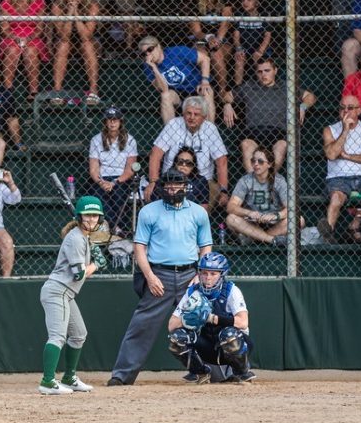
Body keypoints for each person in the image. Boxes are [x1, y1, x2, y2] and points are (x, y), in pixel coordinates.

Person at [107, 168, 212, 386]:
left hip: (190, 275)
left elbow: (206, 247)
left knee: (203, 322)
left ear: (185, 186)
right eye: (169, 185)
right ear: (162, 186)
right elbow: (139, 247)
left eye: (178, 184)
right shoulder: (149, 212)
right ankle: (122, 375)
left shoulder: (198, 212)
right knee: (141, 326)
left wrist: (200, 275)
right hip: (159, 275)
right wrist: (150, 277)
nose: (173, 189)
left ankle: (214, 371)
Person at [38, 195, 107, 395]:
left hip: (66, 293)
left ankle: (69, 377)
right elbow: (79, 273)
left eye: (95, 216)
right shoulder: (76, 238)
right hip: (57, 290)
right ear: (80, 216)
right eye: (87, 215)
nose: (91, 219)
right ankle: (47, 381)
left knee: (78, 334)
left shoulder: (83, 237)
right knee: (58, 336)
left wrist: (93, 257)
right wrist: (96, 264)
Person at [167, 252, 255, 384]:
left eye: (213, 274)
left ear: (222, 275)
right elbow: (171, 325)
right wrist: (188, 319)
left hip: (231, 345)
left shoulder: (231, 291)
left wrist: (211, 318)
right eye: (204, 273)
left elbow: (243, 322)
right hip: (206, 346)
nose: (208, 278)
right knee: (177, 338)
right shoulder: (193, 291)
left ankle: (242, 372)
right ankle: (200, 372)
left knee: (229, 335)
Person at [222, 58, 316, 172]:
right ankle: (256, 184)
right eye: (260, 72)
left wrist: (303, 107)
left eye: (267, 70)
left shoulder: (286, 87)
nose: (263, 75)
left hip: (278, 132)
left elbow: (310, 96)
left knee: (282, 145)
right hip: (253, 132)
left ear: (275, 70)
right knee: (246, 145)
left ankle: (269, 180)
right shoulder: (248, 86)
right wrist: (227, 104)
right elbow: (226, 95)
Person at [145, 96, 228, 210]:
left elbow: (221, 161)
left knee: (204, 198)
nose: (191, 117)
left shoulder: (210, 129)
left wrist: (223, 190)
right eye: (188, 113)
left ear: (204, 117)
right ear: (183, 114)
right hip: (171, 178)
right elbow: (155, 154)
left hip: (202, 181)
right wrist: (153, 181)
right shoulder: (173, 124)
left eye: (196, 114)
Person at [317, 96, 361, 244]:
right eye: (342, 107)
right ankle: (327, 234)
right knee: (336, 198)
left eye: (350, 108)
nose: (345, 111)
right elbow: (331, 154)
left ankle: (354, 225)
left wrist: (347, 156)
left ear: (359, 110)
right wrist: (345, 130)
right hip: (338, 176)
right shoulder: (330, 129)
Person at [139, 36, 215, 124]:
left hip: (197, 87)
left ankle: (210, 131)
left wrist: (205, 81)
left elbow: (205, 59)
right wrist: (154, 68)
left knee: (207, 91)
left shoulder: (177, 51)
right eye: (144, 53)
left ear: (158, 46)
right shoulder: (148, 67)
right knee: (166, 96)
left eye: (150, 49)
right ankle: (171, 134)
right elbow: (163, 89)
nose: (148, 54)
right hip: (179, 94)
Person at [225, 146, 290, 246]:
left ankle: (255, 239)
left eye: (260, 161)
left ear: (269, 164)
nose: (256, 164)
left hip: (274, 223)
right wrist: (250, 213)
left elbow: (291, 208)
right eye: (253, 161)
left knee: (299, 220)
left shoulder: (279, 181)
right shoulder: (245, 180)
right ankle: (271, 240)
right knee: (231, 219)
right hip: (251, 223)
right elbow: (231, 207)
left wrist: (275, 216)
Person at [88, 106, 137, 234]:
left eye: (115, 119)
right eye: (109, 119)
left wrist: (114, 182)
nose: (112, 122)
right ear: (105, 122)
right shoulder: (96, 140)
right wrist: (101, 182)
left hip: (121, 178)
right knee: (98, 194)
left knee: (119, 193)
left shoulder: (130, 140)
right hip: (102, 178)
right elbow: (93, 169)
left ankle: (114, 227)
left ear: (121, 121)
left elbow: (130, 169)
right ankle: (116, 228)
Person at [51, 0, 101, 105]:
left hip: (87, 40)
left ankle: (93, 90)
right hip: (66, 40)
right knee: (63, 45)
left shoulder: (92, 6)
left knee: (87, 44)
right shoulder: (57, 6)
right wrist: (69, 13)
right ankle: (57, 91)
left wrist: (76, 14)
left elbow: (86, 35)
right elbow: (63, 35)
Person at [0, 0, 49, 102]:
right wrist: (16, 38)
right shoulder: (6, 3)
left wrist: (28, 39)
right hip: (11, 36)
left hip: (33, 37)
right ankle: (8, 90)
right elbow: (5, 29)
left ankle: (33, 91)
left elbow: (39, 29)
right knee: (12, 50)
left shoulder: (39, 3)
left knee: (31, 51)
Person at [187, 0, 234, 97]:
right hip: (202, 40)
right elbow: (197, 32)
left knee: (216, 53)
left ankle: (222, 92)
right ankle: (200, 91)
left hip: (221, 41)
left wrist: (217, 39)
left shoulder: (225, 2)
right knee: (202, 55)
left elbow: (224, 25)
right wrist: (209, 37)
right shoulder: (194, 3)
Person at [232, 0, 272, 87]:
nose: (245, 2)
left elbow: (267, 36)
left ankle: (261, 86)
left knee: (258, 58)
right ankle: (238, 89)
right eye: (243, 0)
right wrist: (239, 48)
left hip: (260, 48)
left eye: (249, 0)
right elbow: (236, 35)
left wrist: (260, 51)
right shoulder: (239, 15)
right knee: (239, 59)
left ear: (257, 2)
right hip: (244, 47)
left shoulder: (264, 15)